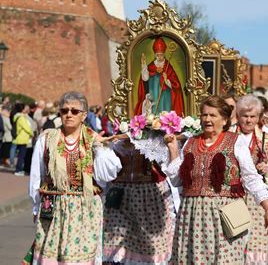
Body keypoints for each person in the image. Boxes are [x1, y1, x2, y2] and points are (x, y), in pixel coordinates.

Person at [164, 95, 268, 264]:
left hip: (223, 217)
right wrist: (173, 149)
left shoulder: (235, 143)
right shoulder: (190, 143)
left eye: (212, 115)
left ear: (224, 120)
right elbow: (176, 181)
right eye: (204, 115)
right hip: (191, 217)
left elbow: (251, 179)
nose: (207, 119)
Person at [24, 91, 121, 264]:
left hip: (84, 210)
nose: (69, 114)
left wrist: (99, 147)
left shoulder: (94, 140)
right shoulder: (47, 139)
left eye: (74, 111)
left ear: (84, 115)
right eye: (64, 110)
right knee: (51, 256)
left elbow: (108, 174)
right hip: (53, 208)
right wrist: (36, 206)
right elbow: (37, 175)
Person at [102, 137, 176, 264]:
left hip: (148, 196)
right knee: (116, 236)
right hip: (120, 196)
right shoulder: (114, 145)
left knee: (149, 240)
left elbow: (168, 166)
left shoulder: (151, 143)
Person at [236, 95, 268, 264]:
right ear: (238, 115)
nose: (249, 120)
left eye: (252, 116)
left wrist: (267, 168)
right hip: (233, 197)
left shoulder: (267, 137)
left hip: (258, 199)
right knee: (232, 241)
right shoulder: (229, 135)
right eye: (245, 116)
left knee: (255, 245)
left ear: (258, 117)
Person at [135, 37, 184, 116]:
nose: (160, 57)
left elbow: (176, 85)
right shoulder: (151, 66)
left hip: (166, 95)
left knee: (165, 113)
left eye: (161, 55)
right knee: (153, 112)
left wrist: (166, 80)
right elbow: (145, 78)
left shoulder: (168, 66)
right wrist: (144, 65)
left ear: (164, 54)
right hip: (153, 93)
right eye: (158, 55)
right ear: (155, 55)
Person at [13, 104, 33, 176]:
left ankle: (18, 169)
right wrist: (32, 133)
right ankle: (18, 170)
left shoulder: (18, 116)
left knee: (20, 155)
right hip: (22, 138)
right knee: (21, 156)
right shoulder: (21, 117)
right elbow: (26, 127)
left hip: (22, 138)